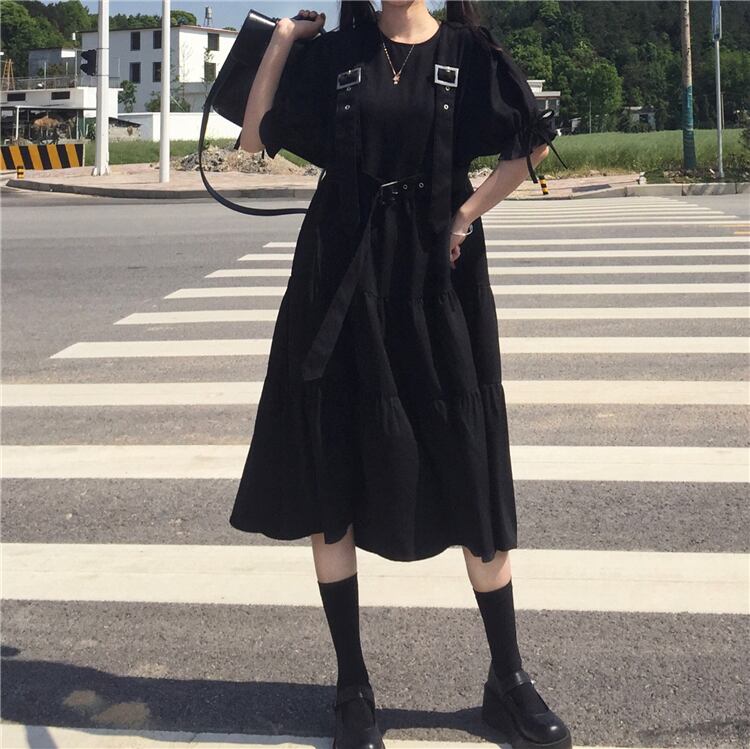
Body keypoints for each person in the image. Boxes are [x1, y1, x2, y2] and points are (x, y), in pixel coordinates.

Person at [231, 2, 570, 748]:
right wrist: (283, 40)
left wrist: (466, 214)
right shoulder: (339, 54)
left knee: (469, 459)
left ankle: (508, 677)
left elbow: (532, 142)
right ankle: (352, 688)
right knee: (334, 472)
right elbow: (255, 136)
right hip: (339, 277)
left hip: (436, 279)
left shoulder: (469, 51)